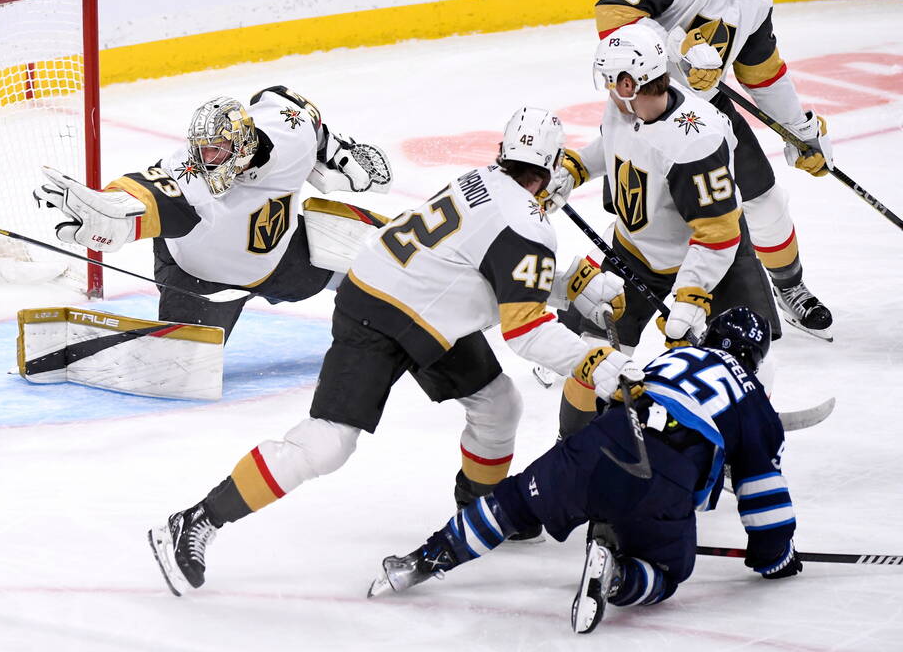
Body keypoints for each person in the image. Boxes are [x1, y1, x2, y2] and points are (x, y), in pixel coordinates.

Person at [147, 107, 641, 596]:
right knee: (327, 443)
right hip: (381, 319)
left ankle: (482, 509)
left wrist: (570, 281)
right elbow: (526, 331)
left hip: (414, 301)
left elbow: (483, 264)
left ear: (503, 153)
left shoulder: (480, 180)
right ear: (552, 166)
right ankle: (196, 519)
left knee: (498, 402)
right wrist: (593, 360)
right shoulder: (529, 227)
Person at [369, 306, 801, 635]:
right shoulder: (756, 405)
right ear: (757, 359)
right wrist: (774, 556)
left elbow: (609, 400)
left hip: (598, 443)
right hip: (662, 479)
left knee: (514, 502)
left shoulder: (677, 357)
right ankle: (617, 577)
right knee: (668, 573)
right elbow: (763, 493)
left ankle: (426, 558)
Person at [591, 0, 834, 340]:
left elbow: (761, 72)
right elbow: (612, 14)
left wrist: (800, 131)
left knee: (766, 202)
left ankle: (791, 287)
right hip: (651, 108)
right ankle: (592, 316)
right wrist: (677, 54)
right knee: (641, 223)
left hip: (707, 114)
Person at [547, 23, 780, 438]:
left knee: (741, 355)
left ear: (629, 82)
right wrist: (577, 167)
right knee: (591, 357)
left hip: (712, 257)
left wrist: (691, 296)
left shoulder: (696, 141)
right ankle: (575, 447)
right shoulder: (625, 106)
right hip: (634, 249)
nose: (606, 90)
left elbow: (718, 233)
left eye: (610, 81)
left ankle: (733, 440)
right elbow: (617, 146)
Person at [35, 86, 391, 343]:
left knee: (387, 264)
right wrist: (114, 213)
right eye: (202, 151)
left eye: (217, 151)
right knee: (184, 360)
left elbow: (289, 104)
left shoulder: (288, 135)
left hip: (282, 257)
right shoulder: (189, 171)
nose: (207, 162)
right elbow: (155, 192)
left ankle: (404, 291)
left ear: (243, 143)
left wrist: (336, 151)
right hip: (202, 278)